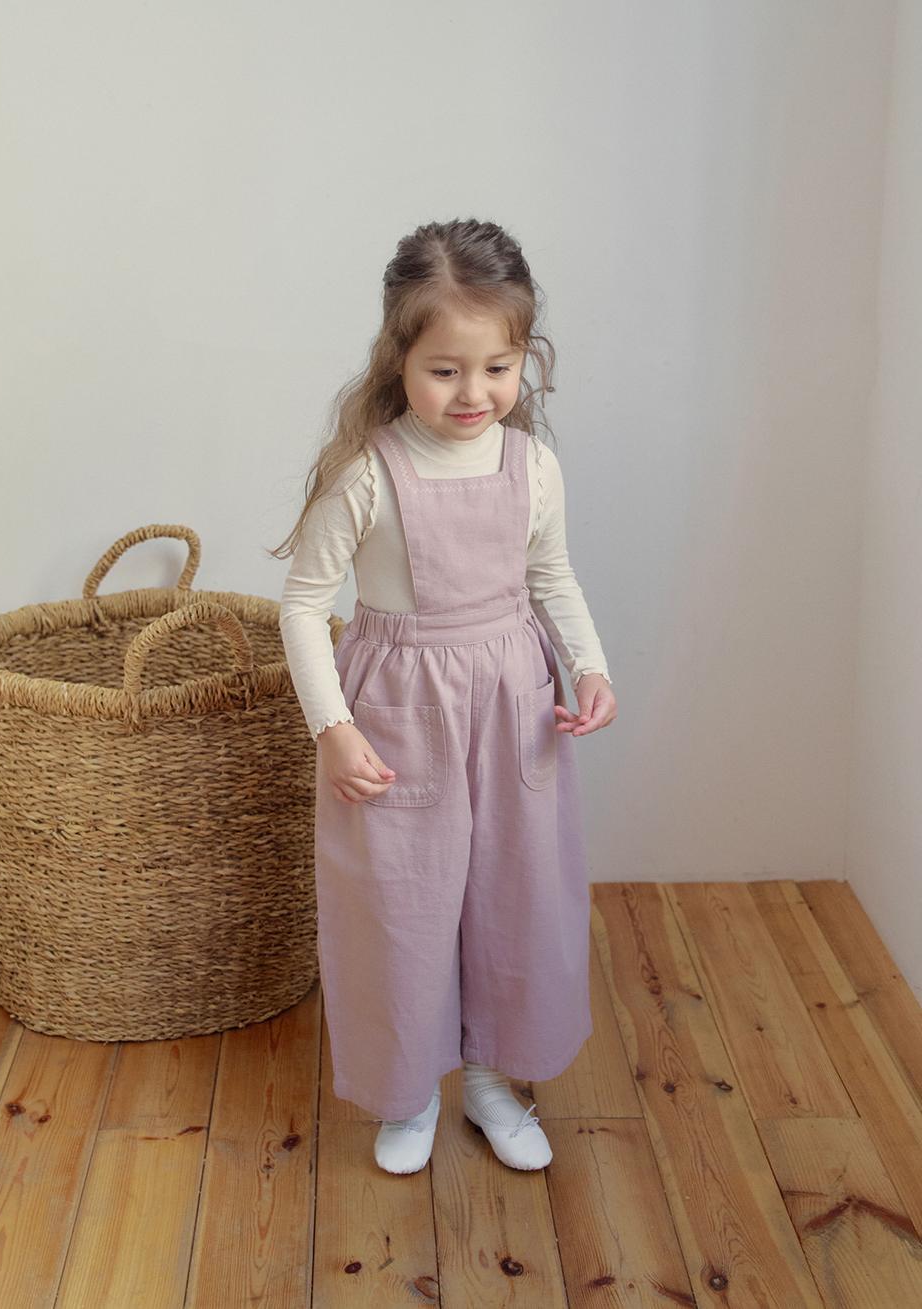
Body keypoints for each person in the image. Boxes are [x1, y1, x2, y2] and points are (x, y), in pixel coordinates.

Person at [272, 217, 617, 1175]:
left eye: (498, 368)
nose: (474, 393)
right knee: (402, 903)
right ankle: (409, 1087)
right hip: (398, 711)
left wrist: (591, 667)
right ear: (400, 358)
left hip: (513, 705)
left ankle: (495, 1079)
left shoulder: (532, 466)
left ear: (525, 358)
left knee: (515, 895)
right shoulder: (365, 475)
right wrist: (333, 729)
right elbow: (303, 605)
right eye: (445, 370)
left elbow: (551, 578)